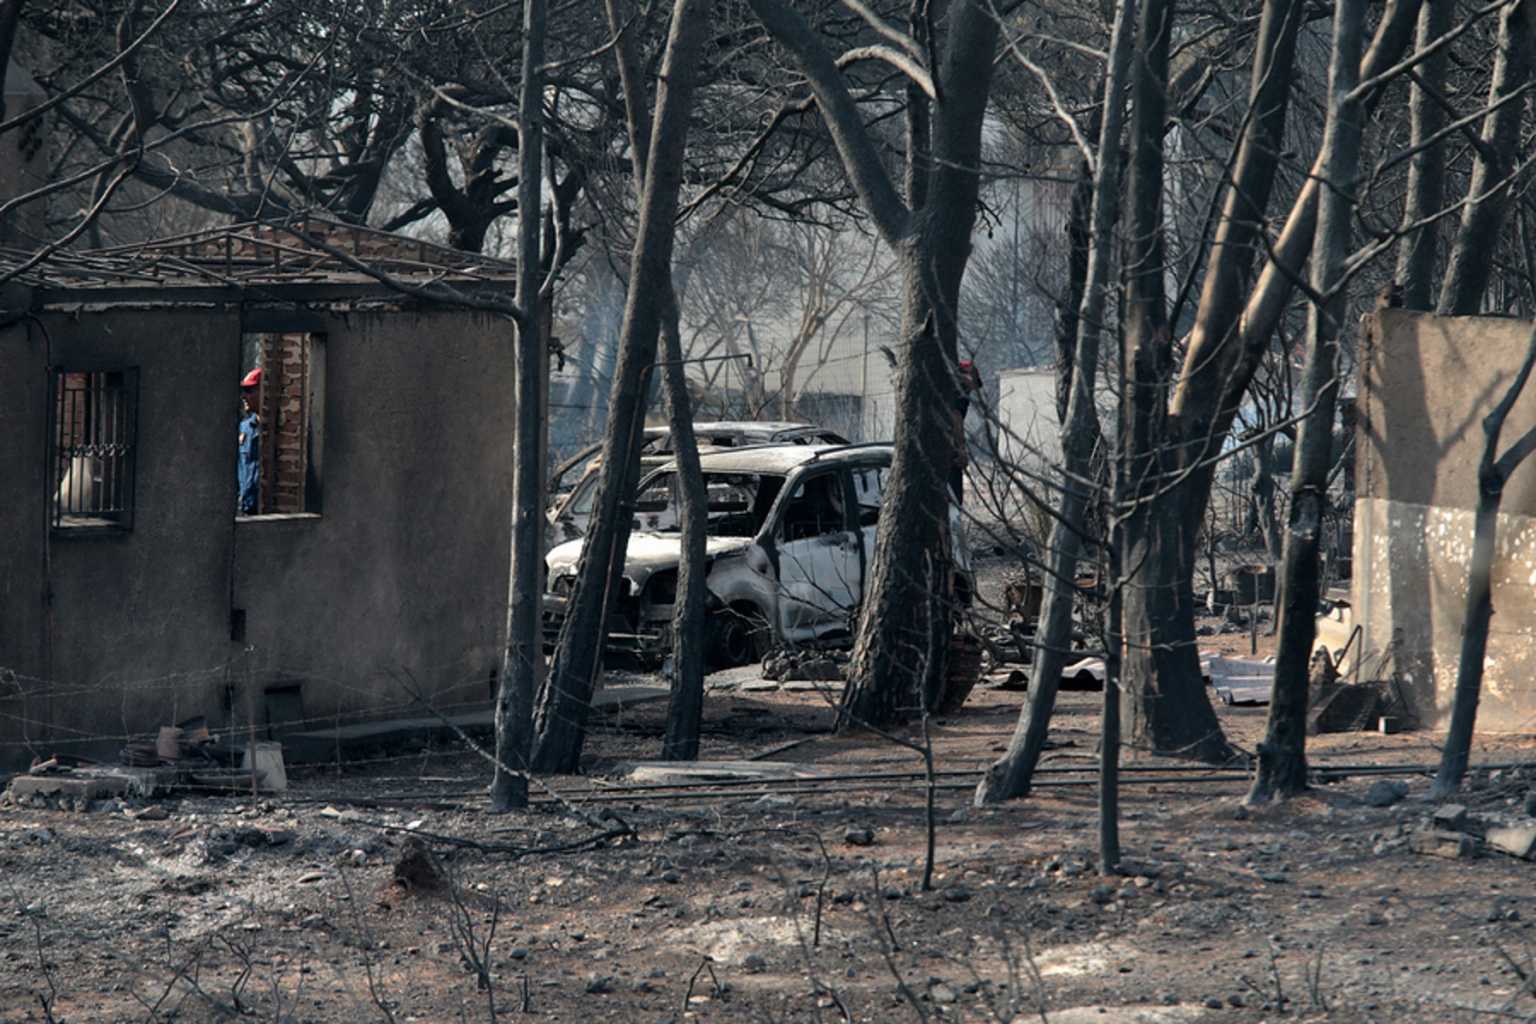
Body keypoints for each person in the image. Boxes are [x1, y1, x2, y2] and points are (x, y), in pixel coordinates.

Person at [238, 367, 262, 515]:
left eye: (249, 391)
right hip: (245, 509)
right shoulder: (244, 428)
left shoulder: (277, 430)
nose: (244, 396)